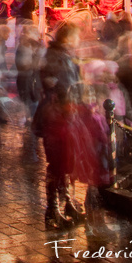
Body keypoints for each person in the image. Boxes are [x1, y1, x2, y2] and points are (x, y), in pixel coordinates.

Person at [37, 23, 83, 230]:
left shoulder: (65, 55)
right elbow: (57, 85)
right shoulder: (55, 57)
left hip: (66, 115)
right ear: (68, 38)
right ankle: (52, 210)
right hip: (55, 117)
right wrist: (67, 102)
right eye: (76, 36)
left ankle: (66, 203)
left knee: (65, 162)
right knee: (56, 164)